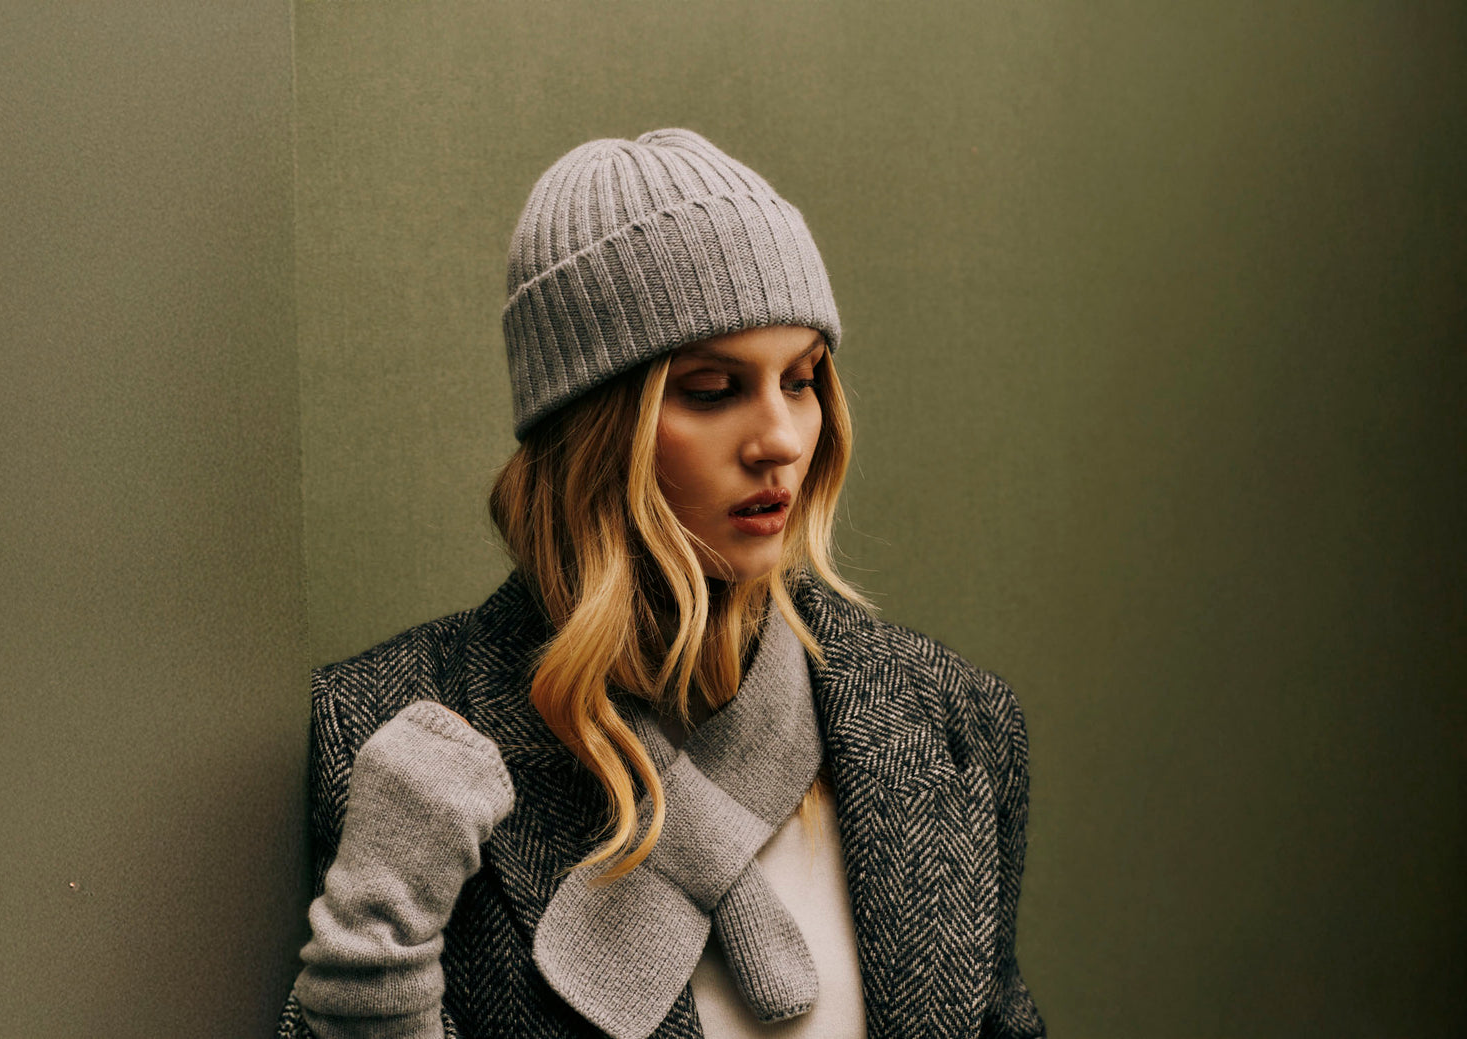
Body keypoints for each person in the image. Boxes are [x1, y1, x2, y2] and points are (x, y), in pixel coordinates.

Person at [277, 128, 1045, 1039]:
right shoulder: (390, 740)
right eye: (713, 389)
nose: (780, 439)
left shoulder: (954, 725)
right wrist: (372, 967)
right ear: (594, 429)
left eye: (802, 380)